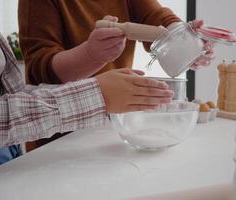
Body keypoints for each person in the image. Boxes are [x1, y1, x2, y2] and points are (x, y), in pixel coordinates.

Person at [0, 4, 174, 177]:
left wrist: (183, 33)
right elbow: (40, 68)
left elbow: (156, 17)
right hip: (56, 142)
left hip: (9, 152)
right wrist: (94, 94)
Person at [18, 0, 214, 149]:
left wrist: (185, 41)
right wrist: (90, 55)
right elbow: (40, 71)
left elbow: (157, 17)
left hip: (114, 131)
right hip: (60, 138)